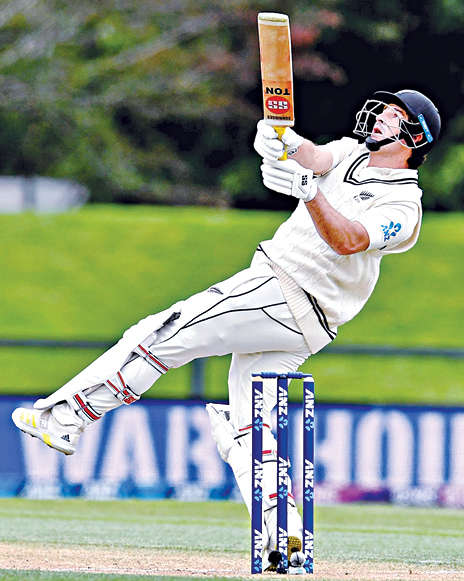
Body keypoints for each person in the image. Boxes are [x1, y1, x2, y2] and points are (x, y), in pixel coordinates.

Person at [12, 89, 440, 568]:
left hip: (285, 291)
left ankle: (66, 417)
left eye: (395, 116)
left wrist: (311, 193)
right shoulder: (349, 152)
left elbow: (349, 240)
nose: (380, 118)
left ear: (414, 138)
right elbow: (312, 156)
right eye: (382, 109)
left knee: (164, 333)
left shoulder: (404, 206)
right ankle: (285, 539)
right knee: (248, 429)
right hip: (300, 317)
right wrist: (279, 139)